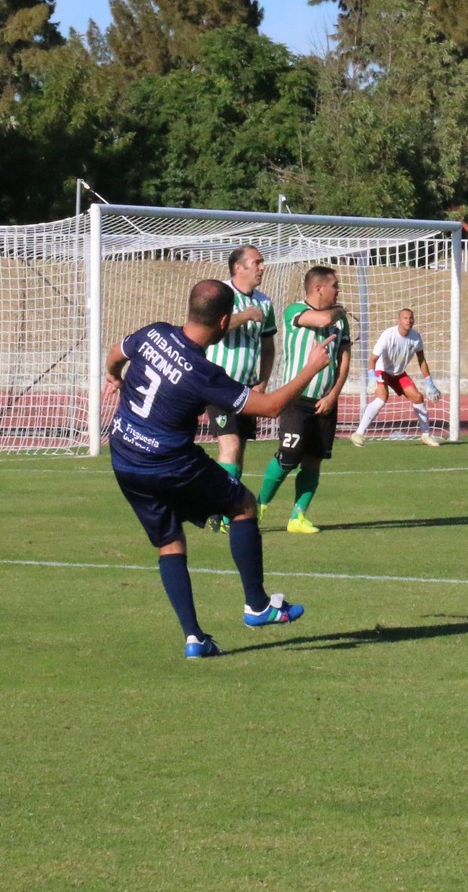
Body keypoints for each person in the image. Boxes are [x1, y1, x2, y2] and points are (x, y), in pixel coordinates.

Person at [106, 280, 340, 658]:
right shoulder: (203, 372)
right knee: (244, 505)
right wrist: (311, 368)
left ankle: (194, 638)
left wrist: (114, 376)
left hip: (124, 456)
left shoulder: (153, 333)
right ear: (224, 321)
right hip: (170, 462)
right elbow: (270, 407)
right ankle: (258, 606)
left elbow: (116, 352)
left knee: (170, 543)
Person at [259, 266, 354, 532]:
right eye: (335, 285)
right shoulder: (294, 311)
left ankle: (297, 517)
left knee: (314, 459)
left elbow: (344, 357)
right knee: (288, 456)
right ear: (318, 288)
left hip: (325, 402)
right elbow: (322, 321)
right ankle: (258, 507)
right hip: (296, 400)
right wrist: (338, 312)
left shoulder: (339, 320)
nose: (339, 290)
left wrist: (334, 395)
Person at [201, 245, 275, 532]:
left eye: (262, 263)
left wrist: (264, 381)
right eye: (256, 262)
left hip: (247, 387)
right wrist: (245, 316)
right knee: (229, 447)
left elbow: (268, 346)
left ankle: (222, 508)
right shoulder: (220, 295)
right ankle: (219, 512)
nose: (262, 267)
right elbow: (209, 328)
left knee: (239, 451)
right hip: (219, 383)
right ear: (238, 268)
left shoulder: (265, 303)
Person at [350, 308, 442, 448]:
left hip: (398, 373)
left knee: (417, 397)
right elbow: (372, 360)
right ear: (399, 320)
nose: (409, 321)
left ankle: (426, 435)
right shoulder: (388, 335)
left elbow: (421, 360)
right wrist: (372, 377)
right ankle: (358, 433)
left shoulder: (416, 337)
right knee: (382, 397)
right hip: (382, 370)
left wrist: (430, 383)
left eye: (411, 318)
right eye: (405, 318)